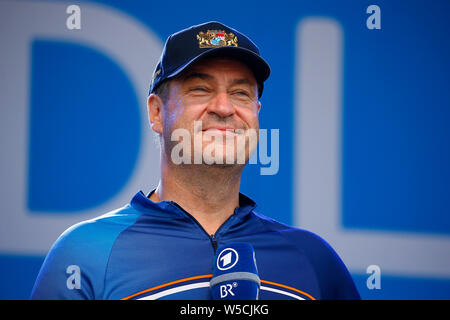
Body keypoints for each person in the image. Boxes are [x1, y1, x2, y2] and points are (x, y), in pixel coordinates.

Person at [30, 21, 360, 300]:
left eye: (241, 93)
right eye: (200, 89)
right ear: (157, 112)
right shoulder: (86, 253)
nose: (224, 107)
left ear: (256, 114)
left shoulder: (314, 261)